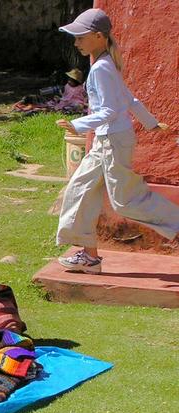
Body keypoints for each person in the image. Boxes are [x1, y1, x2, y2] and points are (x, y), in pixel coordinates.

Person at [55, 8, 179, 274]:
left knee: (126, 201)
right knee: (80, 189)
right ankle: (89, 256)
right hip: (107, 140)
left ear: (99, 37)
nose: (76, 42)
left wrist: (77, 125)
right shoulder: (105, 62)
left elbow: (110, 110)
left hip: (112, 141)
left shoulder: (101, 68)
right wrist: (150, 122)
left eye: (80, 37)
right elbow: (129, 98)